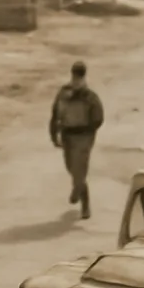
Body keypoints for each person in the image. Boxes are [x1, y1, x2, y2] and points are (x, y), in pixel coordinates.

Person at [49, 61, 104, 220]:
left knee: (80, 168)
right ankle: (78, 188)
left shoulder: (90, 96)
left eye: (78, 77)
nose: (76, 80)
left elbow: (98, 117)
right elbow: (55, 113)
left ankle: (84, 203)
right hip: (68, 135)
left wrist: (89, 129)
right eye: (74, 76)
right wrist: (54, 133)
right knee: (71, 167)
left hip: (84, 136)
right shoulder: (64, 92)